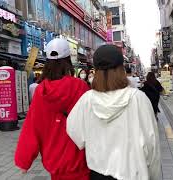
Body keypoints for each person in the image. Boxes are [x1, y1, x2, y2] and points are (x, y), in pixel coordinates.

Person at [66, 45, 161, 180]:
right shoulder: (138, 98)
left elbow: (74, 132)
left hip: (98, 173)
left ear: (96, 71)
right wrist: (154, 175)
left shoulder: (87, 100)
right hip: (133, 172)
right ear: (121, 68)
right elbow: (152, 144)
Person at [15, 38, 90, 180]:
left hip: (55, 164)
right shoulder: (80, 87)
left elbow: (32, 127)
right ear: (68, 59)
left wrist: (24, 161)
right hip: (80, 161)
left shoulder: (41, 91)